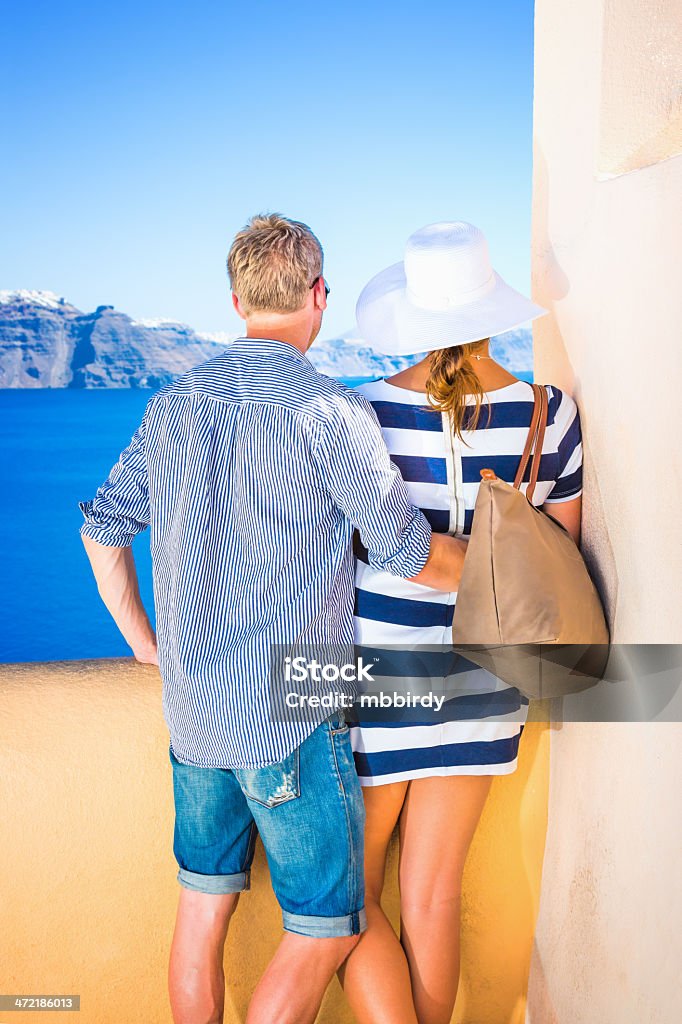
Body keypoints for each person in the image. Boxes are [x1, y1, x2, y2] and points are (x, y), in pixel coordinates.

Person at [78, 213, 468, 1024]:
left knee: (199, 916)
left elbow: (101, 528)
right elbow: (410, 557)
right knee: (326, 928)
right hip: (291, 714)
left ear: (236, 299)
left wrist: (146, 644)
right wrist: (515, 564)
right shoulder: (330, 413)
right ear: (317, 296)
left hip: (192, 714)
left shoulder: (172, 406)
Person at [337, 221, 584, 1024]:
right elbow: (558, 557)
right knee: (435, 898)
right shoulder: (552, 414)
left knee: (345, 896)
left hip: (376, 674)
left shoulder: (359, 415)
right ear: (488, 309)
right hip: (486, 679)